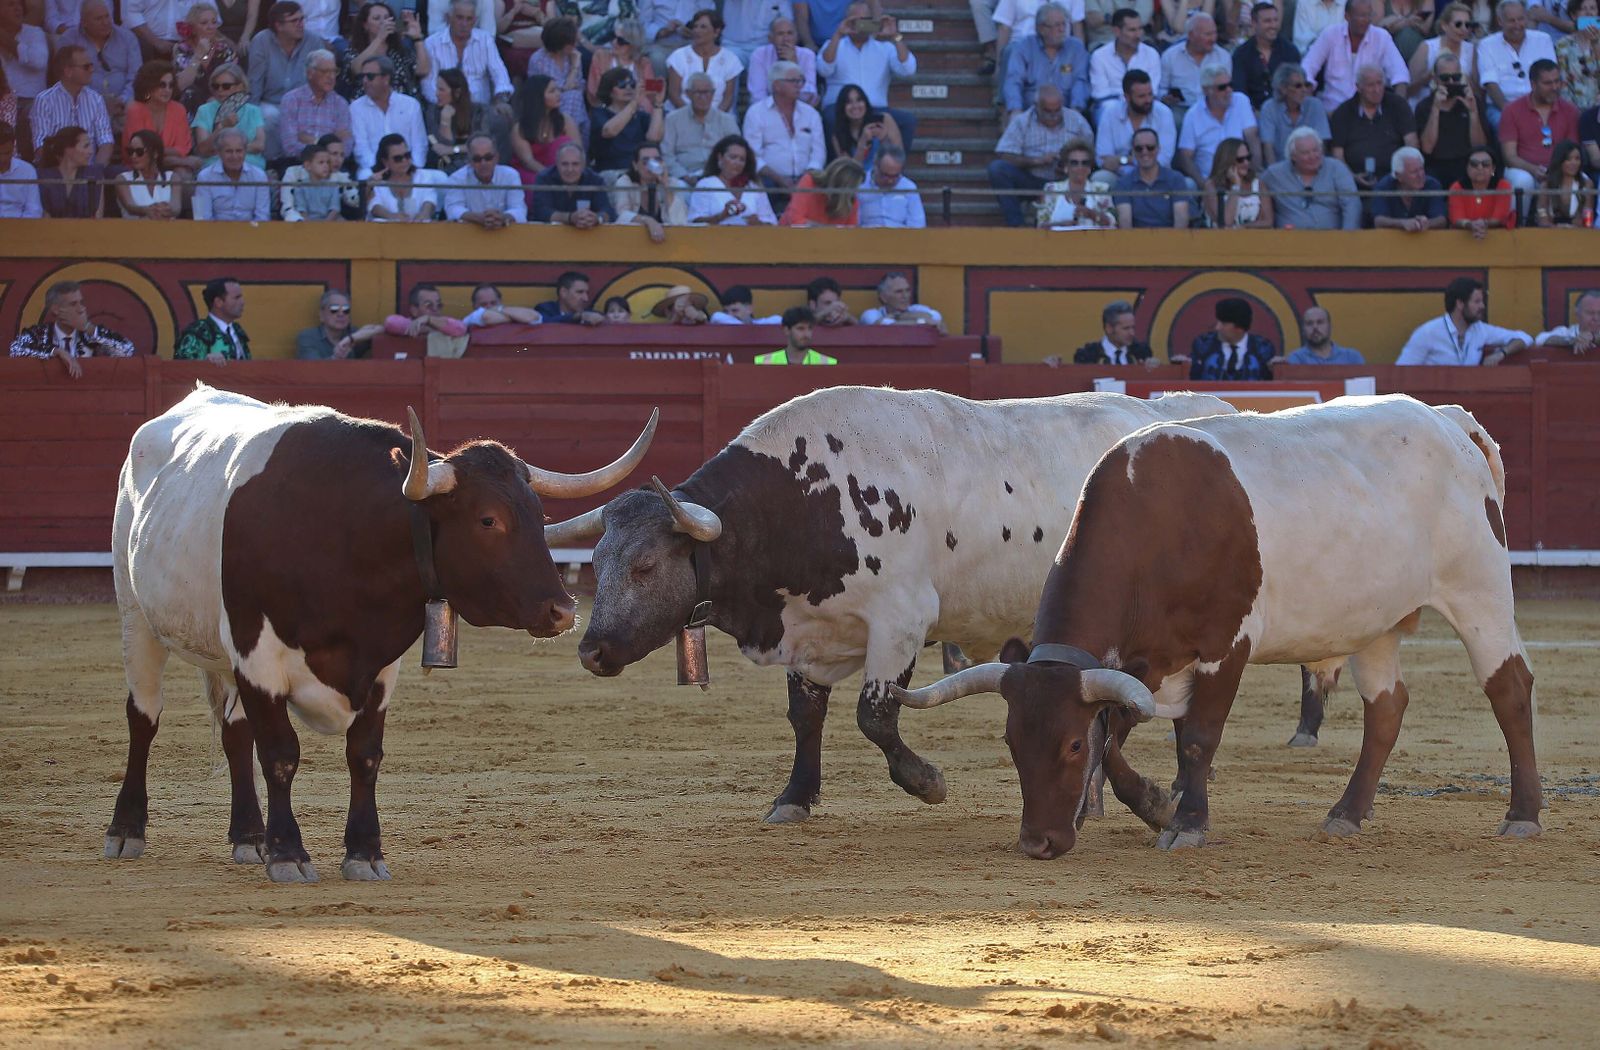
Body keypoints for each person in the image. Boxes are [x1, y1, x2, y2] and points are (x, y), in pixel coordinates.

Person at [989, 84, 1093, 226]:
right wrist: (1037, 161)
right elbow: (1005, 154)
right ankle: (1016, 226)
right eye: (1048, 112)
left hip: (1066, 181)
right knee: (997, 169)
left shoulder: (1077, 120)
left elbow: (1090, 152)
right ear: (1036, 106)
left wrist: (1068, 166)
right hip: (1033, 179)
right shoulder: (1022, 122)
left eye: (1057, 111)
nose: (1053, 116)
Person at [817, 3, 916, 146]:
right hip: (841, 108)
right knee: (830, 118)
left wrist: (896, 36)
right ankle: (839, 167)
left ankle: (894, 167)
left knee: (907, 121)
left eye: (865, 20)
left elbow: (908, 69)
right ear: (846, 21)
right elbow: (823, 69)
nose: (861, 24)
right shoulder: (833, 45)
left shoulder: (885, 48)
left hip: (875, 109)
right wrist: (838, 35)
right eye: (855, 20)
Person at [8, 280, 136, 378]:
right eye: (73, 304)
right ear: (56, 310)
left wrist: (87, 327)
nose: (81, 309)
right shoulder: (39, 334)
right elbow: (15, 349)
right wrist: (57, 351)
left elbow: (127, 350)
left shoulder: (90, 335)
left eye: (81, 302)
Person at [1397, 276, 1532, 365]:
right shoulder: (1428, 333)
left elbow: (1524, 338)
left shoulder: (1480, 329)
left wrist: (1501, 353)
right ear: (1460, 304)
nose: (1482, 306)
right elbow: (1402, 371)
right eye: (1477, 302)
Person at [248, 2, 326, 155]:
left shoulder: (314, 41)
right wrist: (252, 117)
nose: (301, 24)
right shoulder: (261, 41)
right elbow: (254, 82)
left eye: (302, 19)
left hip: (304, 104)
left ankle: (303, 163)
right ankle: (273, 164)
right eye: (294, 21)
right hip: (271, 102)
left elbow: (322, 79)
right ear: (279, 25)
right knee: (269, 117)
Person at [1302, 0, 1409, 109]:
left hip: (1370, 112)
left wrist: (1398, 108)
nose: (1366, 20)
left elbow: (1400, 75)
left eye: (1369, 15)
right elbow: (1307, 69)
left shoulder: (1382, 37)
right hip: (1333, 111)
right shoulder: (1330, 34)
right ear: (1347, 16)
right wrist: (1310, 101)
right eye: (1362, 16)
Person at [1500, 57, 1581, 200]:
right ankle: (1518, 222)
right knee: (1523, 181)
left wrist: (1557, 171)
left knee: (1581, 180)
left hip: (1561, 169)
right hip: (1524, 170)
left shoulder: (1570, 110)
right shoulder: (1512, 110)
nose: (1555, 87)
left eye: (1557, 81)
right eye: (1548, 83)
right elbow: (1510, 157)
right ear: (1533, 84)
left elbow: (1572, 152)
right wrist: (1533, 169)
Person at [1330, 64, 1419, 192]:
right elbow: (1337, 155)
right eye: (1370, 85)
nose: (1376, 89)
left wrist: (1403, 174)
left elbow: (1412, 143)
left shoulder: (1398, 105)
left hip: (1396, 181)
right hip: (1354, 184)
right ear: (1358, 87)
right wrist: (1352, 177)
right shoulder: (1343, 113)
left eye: (1379, 83)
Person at [1176, 62, 1260, 185]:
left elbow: (1253, 140)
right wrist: (1204, 185)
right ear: (1206, 90)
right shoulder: (1193, 115)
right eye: (1222, 87)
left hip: (1242, 174)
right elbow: (1185, 157)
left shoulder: (1241, 101)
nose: (1229, 90)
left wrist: (1254, 173)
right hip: (1210, 179)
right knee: (1188, 184)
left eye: (1230, 85)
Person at [422, 0, 513, 113]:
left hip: (479, 109)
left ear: (474, 21)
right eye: (459, 18)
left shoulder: (485, 40)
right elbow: (428, 85)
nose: (464, 24)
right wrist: (444, 102)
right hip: (443, 107)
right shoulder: (432, 43)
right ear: (449, 19)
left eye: (469, 19)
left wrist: (501, 99)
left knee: (503, 114)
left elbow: (500, 75)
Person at [1417, 52, 1492, 187]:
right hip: (1435, 166)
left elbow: (1479, 147)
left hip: (1467, 165)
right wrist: (1436, 109)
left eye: (1456, 77)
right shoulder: (1424, 106)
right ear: (1435, 79)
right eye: (1445, 78)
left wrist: (1473, 112)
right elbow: (1427, 148)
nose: (1451, 82)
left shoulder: (1473, 102)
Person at [59, 1, 142, 125]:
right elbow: (68, 78)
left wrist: (123, 100)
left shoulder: (127, 37)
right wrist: (99, 102)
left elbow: (137, 75)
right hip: (84, 104)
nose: (106, 22)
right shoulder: (69, 39)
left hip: (123, 104)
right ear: (84, 22)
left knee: (136, 113)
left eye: (107, 16)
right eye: (99, 19)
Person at [1264, 125, 1363, 227]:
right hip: (1289, 240)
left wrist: (1348, 237)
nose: (1312, 156)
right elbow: (1254, 186)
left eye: (1316, 150)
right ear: (1293, 156)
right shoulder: (1274, 174)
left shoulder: (1336, 168)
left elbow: (1352, 205)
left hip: (1332, 239)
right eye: (1305, 153)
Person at [30, 45, 114, 165]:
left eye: (91, 65)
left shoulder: (96, 99)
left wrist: (96, 172)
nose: (92, 70)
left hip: (88, 172)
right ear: (68, 71)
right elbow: (40, 146)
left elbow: (106, 141)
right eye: (86, 67)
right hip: (56, 172)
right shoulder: (44, 100)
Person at [1004, 4, 1091, 120]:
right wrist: (1015, 110)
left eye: (1064, 24)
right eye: (1057, 25)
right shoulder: (1024, 48)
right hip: (1031, 113)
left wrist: (1076, 109)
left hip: (1065, 113)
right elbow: (1013, 80)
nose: (1062, 30)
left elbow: (1080, 81)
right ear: (1041, 29)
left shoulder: (1076, 48)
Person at [1479, 1, 1557, 128]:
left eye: (1521, 19)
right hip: (1502, 106)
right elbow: (1491, 85)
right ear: (1500, 21)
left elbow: (1551, 78)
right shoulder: (1487, 45)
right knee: (1506, 125)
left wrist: (1539, 109)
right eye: (1511, 20)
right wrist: (1512, 113)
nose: (1517, 25)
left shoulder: (1543, 40)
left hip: (1541, 103)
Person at [351, 54, 427, 172]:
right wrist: (381, 170)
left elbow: (419, 144)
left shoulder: (411, 105)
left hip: (409, 168)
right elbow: (361, 149)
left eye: (370, 76)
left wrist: (412, 169)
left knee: (439, 178)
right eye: (363, 76)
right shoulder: (355, 108)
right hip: (373, 170)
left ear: (386, 78)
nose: (364, 81)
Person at [339, 2, 429, 101]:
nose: (383, 22)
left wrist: (417, 39)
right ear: (365, 25)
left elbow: (422, 70)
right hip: (366, 105)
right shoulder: (354, 50)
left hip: (401, 105)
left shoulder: (399, 49)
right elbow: (356, 69)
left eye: (387, 18)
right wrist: (379, 38)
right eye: (376, 18)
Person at [661, 70, 738, 181]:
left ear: (713, 94)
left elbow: (735, 153)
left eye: (707, 92)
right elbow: (666, 154)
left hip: (719, 178)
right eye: (698, 92)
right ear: (688, 94)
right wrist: (685, 176)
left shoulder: (727, 121)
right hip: (682, 177)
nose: (703, 97)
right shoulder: (673, 119)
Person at [125, 61, 202, 172]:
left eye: (171, 85)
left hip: (171, 165)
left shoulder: (178, 109)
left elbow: (182, 148)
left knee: (182, 173)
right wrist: (182, 160)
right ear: (149, 85)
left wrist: (157, 152)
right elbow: (141, 152)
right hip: (139, 167)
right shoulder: (135, 110)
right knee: (182, 169)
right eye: (162, 85)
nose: (167, 90)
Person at [589, 66, 664, 179]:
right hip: (611, 172)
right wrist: (634, 103)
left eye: (632, 84)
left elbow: (654, 138)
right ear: (610, 91)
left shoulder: (640, 115)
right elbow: (609, 131)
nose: (628, 88)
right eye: (622, 85)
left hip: (639, 171)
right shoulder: (599, 113)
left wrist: (658, 103)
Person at [1096, 68, 1177, 172]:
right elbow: (1103, 159)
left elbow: (1164, 159)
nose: (1148, 100)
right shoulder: (1110, 113)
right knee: (1101, 177)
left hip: (1156, 175)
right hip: (1119, 174)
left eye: (1150, 94)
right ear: (1127, 97)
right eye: (1142, 96)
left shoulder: (1164, 113)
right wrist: (1130, 162)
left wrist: (1125, 160)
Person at [1089, 7, 1164, 116]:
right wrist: (1128, 102)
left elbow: (1153, 89)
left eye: (1140, 29)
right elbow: (1100, 93)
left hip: (1144, 102)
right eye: (1132, 30)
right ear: (1116, 31)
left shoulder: (1151, 54)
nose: (1138, 35)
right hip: (1111, 105)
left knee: (1162, 110)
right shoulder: (1099, 56)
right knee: (1108, 109)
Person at [280, 48, 351, 161]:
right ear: (309, 73)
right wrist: (328, 147)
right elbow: (290, 147)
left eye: (334, 71)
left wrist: (313, 141)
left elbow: (346, 147)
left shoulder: (341, 104)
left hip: (333, 167)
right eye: (325, 72)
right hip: (300, 164)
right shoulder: (292, 99)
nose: (331, 77)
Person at [666, 9, 743, 113]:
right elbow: (674, 94)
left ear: (716, 32)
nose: (697, 31)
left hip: (718, 118)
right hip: (683, 115)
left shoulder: (730, 59)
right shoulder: (678, 56)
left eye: (703, 27)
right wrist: (694, 117)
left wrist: (713, 120)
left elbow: (728, 98)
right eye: (695, 26)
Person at [192, 62, 268, 168]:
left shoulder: (254, 111)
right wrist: (221, 127)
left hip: (250, 164)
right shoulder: (204, 110)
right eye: (216, 86)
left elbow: (260, 145)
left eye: (226, 86)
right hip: (215, 165)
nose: (220, 90)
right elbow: (203, 149)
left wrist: (225, 150)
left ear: (240, 86)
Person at [689, 133, 778, 223]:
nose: (737, 163)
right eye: (733, 157)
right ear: (720, 157)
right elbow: (695, 223)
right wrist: (722, 216)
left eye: (742, 159)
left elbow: (771, 222)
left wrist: (757, 223)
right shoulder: (706, 184)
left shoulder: (753, 186)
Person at [1115, 125, 1192, 226]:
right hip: (1136, 240)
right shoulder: (1123, 183)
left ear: (1158, 149)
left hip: (1170, 239)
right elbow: (1125, 225)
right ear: (1133, 152)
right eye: (1139, 148)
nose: (1145, 152)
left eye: (1150, 147)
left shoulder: (1176, 179)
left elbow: (1181, 223)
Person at [525, 16, 588, 137]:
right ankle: (566, 137)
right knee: (573, 97)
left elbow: (579, 85)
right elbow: (557, 89)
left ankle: (573, 140)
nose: (575, 45)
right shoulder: (539, 60)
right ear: (560, 43)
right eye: (571, 43)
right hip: (547, 105)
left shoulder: (572, 56)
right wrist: (574, 68)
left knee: (575, 97)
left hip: (573, 106)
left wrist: (568, 83)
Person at [445, 132, 527, 225]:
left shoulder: (510, 175)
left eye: (488, 157)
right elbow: (453, 209)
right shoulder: (457, 178)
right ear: (469, 161)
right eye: (477, 159)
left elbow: (519, 210)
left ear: (496, 158)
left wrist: (501, 218)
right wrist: (478, 218)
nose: (483, 163)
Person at [1408, 2, 1481, 107]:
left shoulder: (1471, 50)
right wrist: (1428, 77)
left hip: (1460, 105)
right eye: (1458, 24)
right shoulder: (1427, 47)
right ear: (1444, 25)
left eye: (1467, 25)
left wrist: (1463, 79)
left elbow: (1478, 92)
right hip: (1426, 105)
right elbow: (1409, 90)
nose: (1464, 29)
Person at [1189, 297, 1279, 379]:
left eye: (1223, 324)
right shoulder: (1203, 344)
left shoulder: (1263, 348)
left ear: (1239, 328)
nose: (1217, 327)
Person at [1259, 62, 1331, 164]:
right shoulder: (1269, 108)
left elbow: (1322, 144)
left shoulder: (1315, 105)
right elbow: (1268, 148)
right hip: (1281, 168)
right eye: (1298, 86)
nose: (1304, 90)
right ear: (1283, 89)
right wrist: (1275, 176)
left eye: (1306, 85)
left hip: (1312, 166)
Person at [172, 2, 239, 112]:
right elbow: (180, 85)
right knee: (190, 92)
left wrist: (215, 99)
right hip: (191, 105)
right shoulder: (182, 49)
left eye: (214, 22)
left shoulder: (225, 50)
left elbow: (233, 84)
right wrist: (198, 54)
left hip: (220, 101)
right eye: (204, 23)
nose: (211, 27)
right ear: (192, 28)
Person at [613, 141, 689, 239]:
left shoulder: (671, 183)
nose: (651, 165)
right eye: (645, 162)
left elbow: (680, 221)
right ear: (635, 165)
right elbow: (621, 216)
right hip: (631, 239)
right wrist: (648, 221)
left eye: (657, 160)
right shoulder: (625, 182)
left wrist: (666, 187)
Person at [1234, 1, 1301, 109]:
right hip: (1253, 115)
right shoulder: (1241, 55)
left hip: (1285, 113)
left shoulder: (1290, 51)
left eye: (1275, 20)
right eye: (1267, 21)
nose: (1273, 25)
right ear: (1254, 23)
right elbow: (1240, 93)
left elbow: (1297, 89)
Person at [192, 127, 270, 218]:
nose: (234, 156)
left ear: (245, 152)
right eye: (229, 151)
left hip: (252, 230)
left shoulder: (259, 176)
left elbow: (263, 216)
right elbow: (201, 217)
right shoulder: (204, 177)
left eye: (239, 151)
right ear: (219, 153)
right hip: (215, 231)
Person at [1038, 138, 1118, 228]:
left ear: (1090, 167)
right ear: (1066, 167)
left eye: (1085, 163)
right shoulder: (1051, 189)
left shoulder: (1102, 189)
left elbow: (1112, 223)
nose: (1080, 167)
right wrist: (1061, 225)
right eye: (1074, 163)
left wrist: (1091, 214)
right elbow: (1041, 225)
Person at [531, 141, 615, 224]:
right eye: (564, 164)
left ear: (583, 165)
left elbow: (607, 211)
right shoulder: (544, 178)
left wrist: (596, 218)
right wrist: (570, 218)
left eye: (575, 164)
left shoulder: (595, 180)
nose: (570, 169)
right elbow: (541, 212)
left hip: (588, 234)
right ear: (556, 164)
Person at [508, 72, 573, 180]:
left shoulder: (565, 120)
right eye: (552, 91)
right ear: (537, 96)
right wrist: (552, 177)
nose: (558, 94)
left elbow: (577, 150)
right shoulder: (520, 128)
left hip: (564, 172)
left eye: (557, 90)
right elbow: (528, 161)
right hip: (532, 172)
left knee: (563, 142)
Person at [367, 130, 444, 220]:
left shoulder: (424, 176)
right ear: (385, 161)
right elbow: (374, 206)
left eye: (407, 155)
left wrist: (424, 214)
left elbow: (429, 200)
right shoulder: (377, 181)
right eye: (398, 158)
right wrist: (393, 217)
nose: (404, 161)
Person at [1368, 144, 1449, 227]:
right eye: (1414, 172)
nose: (1420, 175)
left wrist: (1426, 223)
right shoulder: (1383, 186)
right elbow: (1378, 221)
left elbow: (1441, 220)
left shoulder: (1432, 185)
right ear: (1398, 176)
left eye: (1421, 169)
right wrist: (1402, 223)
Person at [586, 19, 658, 112]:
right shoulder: (600, 56)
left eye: (620, 41)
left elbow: (654, 90)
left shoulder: (643, 62)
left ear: (633, 44)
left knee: (645, 104)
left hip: (636, 106)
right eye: (613, 37)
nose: (614, 42)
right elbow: (594, 89)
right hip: (608, 106)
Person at [1160, 12, 1222, 118]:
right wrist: (1165, 97)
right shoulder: (1170, 56)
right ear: (1191, 35)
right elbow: (1161, 89)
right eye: (1208, 34)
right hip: (1181, 109)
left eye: (1214, 33)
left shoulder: (1222, 56)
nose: (1213, 39)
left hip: (1213, 108)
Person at [175, 276, 251, 362]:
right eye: (237, 298)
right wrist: (205, 363)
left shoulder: (237, 331)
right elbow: (185, 371)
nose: (242, 302)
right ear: (218, 302)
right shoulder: (198, 332)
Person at [748, 17, 821, 107]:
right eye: (780, 34)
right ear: (770, 38)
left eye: (790, 33)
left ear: (796, 37)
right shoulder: (759, 55)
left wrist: (794, 65)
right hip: (766, 110)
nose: (786, 39)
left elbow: (809, 96)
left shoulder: (807, 55)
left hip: (800, 109)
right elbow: (757, 95)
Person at [1203, 134, 1274, 225]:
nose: (1246, 163)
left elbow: (1268, 222)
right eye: (1240, 160)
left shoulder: (1258, 184)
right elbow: (1226, 222)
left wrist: (1244, 228)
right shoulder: (1211, 186)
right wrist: (1236, 186)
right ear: (1227, 161)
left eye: (1248, 158)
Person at [36, 126, 106, 218]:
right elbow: (44, 216)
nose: (91, 151)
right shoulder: (44, 177)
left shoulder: (94, 175)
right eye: (86, 146)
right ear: (68, 149)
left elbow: (97, 215)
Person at [829, 82, 902, 168]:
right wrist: (862, 143)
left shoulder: (884, 120)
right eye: (849, 102)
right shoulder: (838, 135)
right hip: (859, 179)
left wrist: (884, 140)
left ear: (865, 103)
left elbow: (899, 159)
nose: (855, 106)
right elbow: (850, 173)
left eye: (859, 100)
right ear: (842, 107)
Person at [1448, 143, 1517, 233]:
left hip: (1496, 236)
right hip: (1462, 236)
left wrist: (1480, 225)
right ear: (1466, 167)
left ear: (1493, 169)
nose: (1480, 168)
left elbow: (1499, 217)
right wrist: (1471, 225)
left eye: (1486, 164)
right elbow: (1457, 219)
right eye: (1474, 164)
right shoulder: (1456, 188)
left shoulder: (1503, 186)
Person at [295, 289, 384, 358]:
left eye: (346, 310)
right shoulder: (308, 337)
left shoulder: (352, 333)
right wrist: (337, 357)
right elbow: (313, 368)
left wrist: (351, 338)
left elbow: (382, 329)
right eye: (334, 309)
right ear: (322, 315)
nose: (341, 314)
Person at [116, 128, 184, 218]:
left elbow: (176, 208)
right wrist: (147, 210)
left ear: (155, 153)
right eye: (130, 151)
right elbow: (129, 206)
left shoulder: (172, 177)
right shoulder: (123, 179)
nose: (133, 156)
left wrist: (167, 210)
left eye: (139, 152)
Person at [1072, 299, 1156, 365]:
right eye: (1126, 328)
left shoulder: (1141, 352)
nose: (1132, 333)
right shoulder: (1087, 355)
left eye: (1132, 327)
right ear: (1109, 328)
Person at [857, 143, 923, 226]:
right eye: (885, 175)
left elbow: (917, 225)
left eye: (895, 176)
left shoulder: (909, 188)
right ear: (875, 165)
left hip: (900, 237)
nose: (890, 181)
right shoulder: (860, 184)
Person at [1533, 138, 1597, 221]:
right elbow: (1542, 211)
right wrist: (1550, 226)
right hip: (1551, 230)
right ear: (1559, 161)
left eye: (1577, 159)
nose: (1574, 163)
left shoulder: (1587, 184)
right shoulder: (1546, 185)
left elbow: (1587, 212)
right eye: (1569, 159)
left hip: (1578, 231)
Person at [384, 282, 469, 341]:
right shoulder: (409, 323)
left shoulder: (445, 322)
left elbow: (461, 328)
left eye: (438, 305)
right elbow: (391, 322)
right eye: (429, 305)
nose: (435, 309)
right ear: (414, 311)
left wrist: (428, 319)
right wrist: (429, 328)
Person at [1556, 0, 1600, 109]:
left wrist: (1595, 44)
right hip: (1572, 108)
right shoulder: (1563, 44)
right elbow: (1563, 80)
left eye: (1593, 8)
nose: (1589, 12)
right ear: (1574, 15)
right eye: (1583, 9)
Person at [755, 306, 837, 364]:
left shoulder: (827, 363)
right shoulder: (764, 362)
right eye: (800, 328)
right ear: (786, 330)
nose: (807, 334)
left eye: (810, 328)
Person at [860, 271, 944, 328]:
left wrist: (897, 317)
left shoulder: (917, 308)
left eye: (907, 290)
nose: (905, 296)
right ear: (883, 297)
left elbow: (938, 321)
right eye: (899, 292)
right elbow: (882, 325)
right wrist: (923, 322)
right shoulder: (872, 314)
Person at [1287, 305, 1366, 363]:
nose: (1315, 327)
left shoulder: (1352, 357)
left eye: (1320, 322)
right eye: (1309, 323)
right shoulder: (1296, 358)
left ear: (1330, 326)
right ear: (1303, 330)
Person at [1534, 288, 1600, 354]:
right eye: (1590, 313)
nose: (1596, 318)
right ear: (1577, 313)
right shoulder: (1565, 332)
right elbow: (1540, 339)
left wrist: (1592, 338)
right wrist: (1573, 340)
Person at [0, 119, 40, 217]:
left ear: (14, 146)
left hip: (20, 227)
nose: (2, 159)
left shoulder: (27, 170)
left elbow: (34, 210)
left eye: (7, 153)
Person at [536, 270, 605, 325]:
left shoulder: (590, 313)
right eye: (580, 292)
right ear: (563, 292)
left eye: (587, 293)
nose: (586, 299)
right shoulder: (545, 309)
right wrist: (578, 317)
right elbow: (543, 322)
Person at [463, 282, 543, 327]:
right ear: (474, 306)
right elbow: (487, 317)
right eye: (484, 304)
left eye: (493, 303)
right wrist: (517, 317)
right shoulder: (471, 318)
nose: (489, 307)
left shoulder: (503, 310)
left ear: (500, 301)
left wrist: (500, 310)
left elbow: (532, 317)